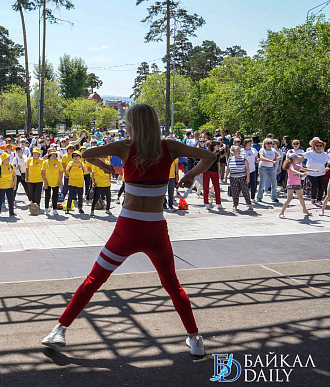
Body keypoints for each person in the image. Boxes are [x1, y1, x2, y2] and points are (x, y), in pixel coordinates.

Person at [41, 103, 215, 356]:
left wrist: (106, 167)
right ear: (155, 122)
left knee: (93, 280)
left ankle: (60, 330)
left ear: (131, 123)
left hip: (127, 228)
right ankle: (195, 338)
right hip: (156, 229)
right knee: (173, 286)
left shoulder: (125, 147)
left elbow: (88, 153)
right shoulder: (170, 146)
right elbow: (209, 157)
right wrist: (190, 176)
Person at [279, 151, 315, 218]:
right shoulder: (290, 165)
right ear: (293, 158)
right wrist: (301, 174)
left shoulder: (298, 166)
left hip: (297, 183)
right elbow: (293, 170)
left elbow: (304, 169)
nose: (298, 159)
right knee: (289, 198)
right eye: (296, 158)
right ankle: (282, 213)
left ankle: (305, 210)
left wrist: (314, 170)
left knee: (300, 197)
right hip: (291, 184)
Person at [304, 138, 330, 205]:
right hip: (311, 173)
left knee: (321, 186)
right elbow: (300, 156)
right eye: (317, 145)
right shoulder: (309, 153)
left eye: (320, 146)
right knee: (314, 185)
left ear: (322, 147)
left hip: (321, 173)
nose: (318, 147)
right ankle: (313, 198)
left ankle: (319, 199)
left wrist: (328, 167)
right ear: (314, 146)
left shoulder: (324, 154)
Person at [227, 146, 253, 211]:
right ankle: (235, 205)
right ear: (233, 152)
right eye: (237, 150)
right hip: (233, 178)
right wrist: (225, 177)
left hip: (242, 177)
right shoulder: (230, 159)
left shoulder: (244, 158)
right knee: (234, 192)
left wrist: (248, 177)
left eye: (239, 150)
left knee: (245, 191)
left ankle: (249, 203)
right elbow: (228, 169)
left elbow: (247, 168)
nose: (238, 152)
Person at [256, 138, 281, 203]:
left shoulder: (273, 150)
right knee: (262, 183)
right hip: (263, 167)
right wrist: (271, 161)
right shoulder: (262, 150)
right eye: (268, 143)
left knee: (274, 182)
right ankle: (259, 197)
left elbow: (280, 156)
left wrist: (276, 158)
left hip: (271, 167)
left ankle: (274, 197)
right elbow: (262, 158)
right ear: (265, 144)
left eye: (271, 143)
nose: (270, 145)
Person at [0, 152, 17, 218]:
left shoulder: (11, 166)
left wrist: (15, 185)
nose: (9, 159)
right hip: (1, 186)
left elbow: (14, 176)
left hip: (9, 186)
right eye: (7, 158)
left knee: (11, 200)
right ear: (3, 159)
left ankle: (11, 212)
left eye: (9, 158)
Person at [42, 149, 63, 215]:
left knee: (55, 196)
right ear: (49, 155)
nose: (54, 155)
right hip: (48, 182)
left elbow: (61, 172)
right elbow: (42, 173)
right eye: (52, 154)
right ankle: (46, 208)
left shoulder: (58, 162)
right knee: (47, 195)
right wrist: (45, 182)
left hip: (56, 181)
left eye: (55, 154)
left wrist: (60, 182)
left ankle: (54, 209)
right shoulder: (46, 162)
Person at [203, 140, 223, 209]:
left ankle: (218, 203)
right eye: (217, 146)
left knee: (217, 188)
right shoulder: (208, 152)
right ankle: (206, 203)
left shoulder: (218, 153)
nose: (218, 147)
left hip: (215, 172)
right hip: (206, 171)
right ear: (214, 146)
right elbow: (203, 162)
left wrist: (219, 173)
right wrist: (201, 171)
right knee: (206, 187)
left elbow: (218, 163)